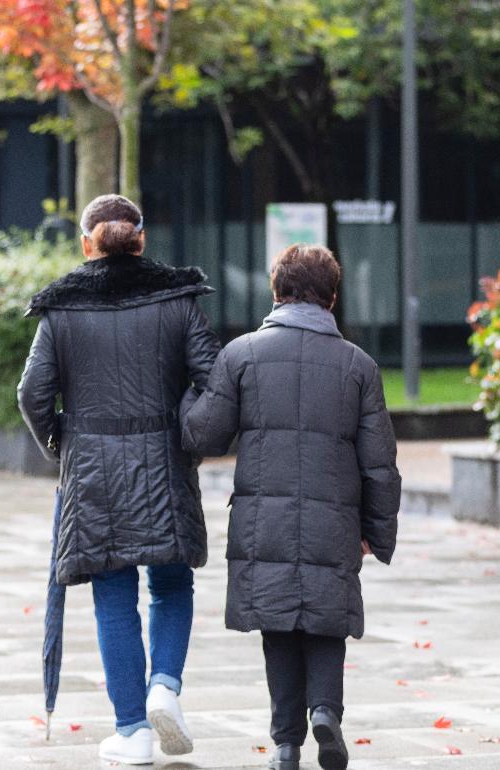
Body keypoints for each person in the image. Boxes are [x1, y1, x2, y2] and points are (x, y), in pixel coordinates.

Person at [17, 194, 221, 765]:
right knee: (173, 585)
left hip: (94, 472)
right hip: (165, 462)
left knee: (113, 597)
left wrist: (62, 444)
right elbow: (215, 381)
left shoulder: (60, 310)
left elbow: (32, 395)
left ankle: (132, 731)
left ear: (87, 243)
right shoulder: (180, 301)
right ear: (142, 238)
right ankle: (166, 687)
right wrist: (189, 437)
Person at [180, 244, 401, 770]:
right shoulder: (358, 365)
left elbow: (204, 434)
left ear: (275, 291)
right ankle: (325, 710)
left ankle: (285, 744)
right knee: (327, 618)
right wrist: (378, 531)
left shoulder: (241, 354)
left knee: (277, 624)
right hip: (335, 518)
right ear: (333, 297)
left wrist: (184, 396)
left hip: (263, 520)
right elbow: (380, 463)